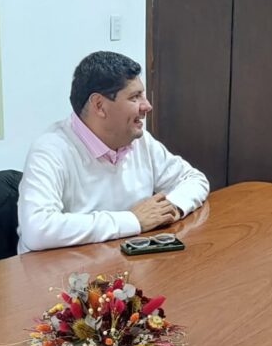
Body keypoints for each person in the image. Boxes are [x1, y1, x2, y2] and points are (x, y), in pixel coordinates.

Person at [17, 51, 209, 252]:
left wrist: (171, 208)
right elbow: (37, 229)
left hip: (125, 260)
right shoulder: (51, 150)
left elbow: (194, 179)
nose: (147, 106)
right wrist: (132, 220)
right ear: (99, 105)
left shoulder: (139, 140)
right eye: (135, 97)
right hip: (67, 269)